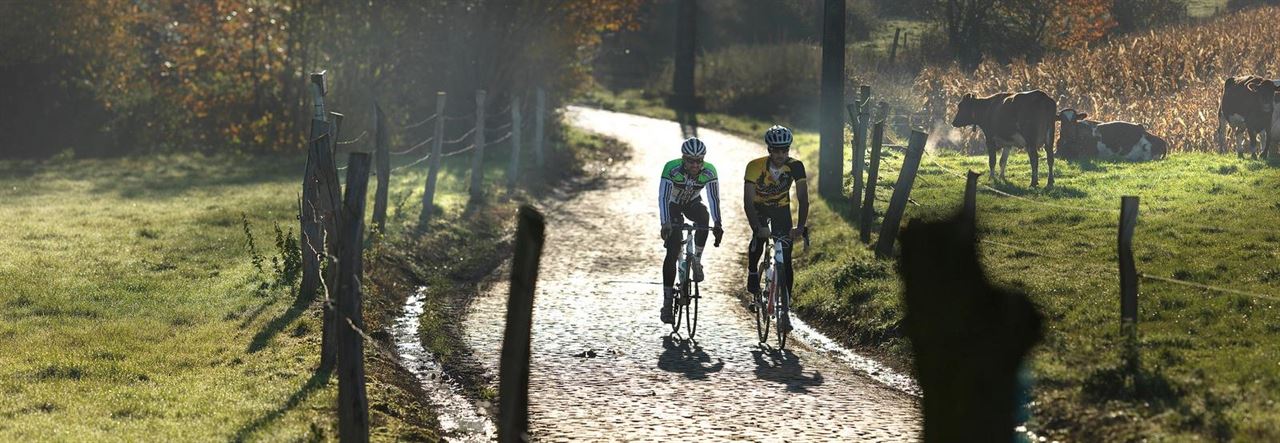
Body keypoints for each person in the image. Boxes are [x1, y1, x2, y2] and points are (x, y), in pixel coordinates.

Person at [743, 125, 808, 334]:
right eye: (776, 150)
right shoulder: (755, 166)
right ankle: (753, 272)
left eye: (785, 150)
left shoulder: (796, 166)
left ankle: (785, 312)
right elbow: (747, 201)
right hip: (760, 208)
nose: (781, 155)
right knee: (760, 239)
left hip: (781, 210)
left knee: (786, 260)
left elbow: (803, 198)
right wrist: (757, 226)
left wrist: (800, 226)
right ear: (769, 150)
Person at [658, 137, 724, 324]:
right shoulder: (671, 168)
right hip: (672, 206)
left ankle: (697, 260)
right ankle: (668, 301)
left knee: (704, 218)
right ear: (683, 158)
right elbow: (663, 196)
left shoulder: (709, 171)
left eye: (699, 161)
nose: (695, 165)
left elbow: (713, 199)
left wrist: (718, 224)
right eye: (690, 161)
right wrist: (665, 223)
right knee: (672, 250)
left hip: (692, 203)